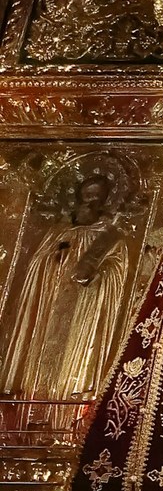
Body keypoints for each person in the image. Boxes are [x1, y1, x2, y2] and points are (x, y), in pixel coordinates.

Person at [1, 169, 132, 400]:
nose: (90, 204)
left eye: (97, 198)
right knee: (38, 360)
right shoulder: (58, 233)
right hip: (49, 306)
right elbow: (36, 266)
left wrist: (96, 277)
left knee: (72, 362)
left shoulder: (110, 237)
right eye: (87, 197)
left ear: (105, 201)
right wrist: (54, 262)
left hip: (83, 310)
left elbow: (117, 272)